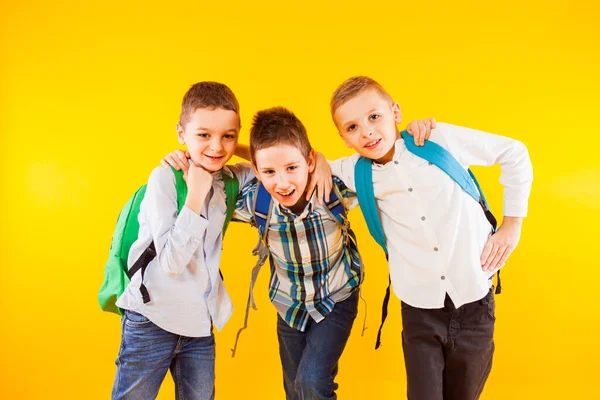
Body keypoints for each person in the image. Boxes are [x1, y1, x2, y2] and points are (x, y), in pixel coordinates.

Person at [328, 76, 533, 400]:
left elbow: (514, 153)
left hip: (475, 301)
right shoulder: (352, 171)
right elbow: (293, 163)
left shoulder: (436, 139)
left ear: (395, 112)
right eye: (352, 127)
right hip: (419, 309)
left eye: (374, 116)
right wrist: (232, 150)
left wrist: (512, 225)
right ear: (343, 137)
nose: (366, 131)